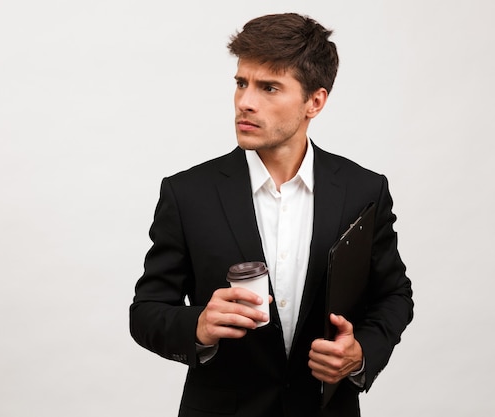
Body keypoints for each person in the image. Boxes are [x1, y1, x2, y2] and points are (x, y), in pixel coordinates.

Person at [130, 13, 413, 417]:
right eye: (241, 83)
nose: (246, 101)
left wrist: (361, 352)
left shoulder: (363, 191)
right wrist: (198, 326)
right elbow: (147, 310)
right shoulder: (187, 193)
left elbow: (394, 295)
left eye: (269, 88)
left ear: (314, 101)